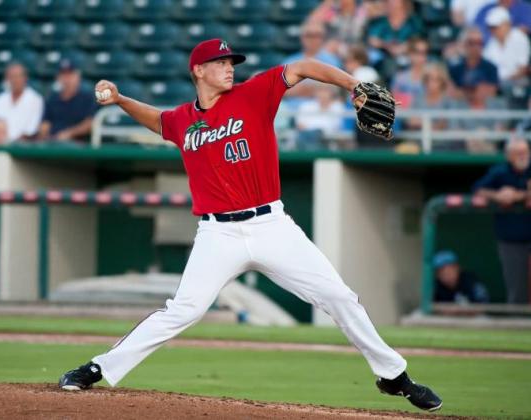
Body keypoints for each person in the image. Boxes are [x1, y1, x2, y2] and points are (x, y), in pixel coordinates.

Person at [58, 38, 442, 412]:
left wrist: (353, 84)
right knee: (184, 309)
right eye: (222, 63)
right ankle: (99, 367)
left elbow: (304, 67)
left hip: (271, 226)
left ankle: (393, 376)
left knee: (339, 297)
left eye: (231, 63)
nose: (230, 68)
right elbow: (158, 121)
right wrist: (122, 100)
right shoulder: (184, 120)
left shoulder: (254, 94)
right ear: (199, 70)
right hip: (217, 234)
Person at [473, 137, 531, 304]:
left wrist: (519, 195)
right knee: (516, 287)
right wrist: (497, 195)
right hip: (510, 238)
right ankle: (516, 324)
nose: (522, 156)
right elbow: (478, 190)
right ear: (509, 156)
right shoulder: (500, 172)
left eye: (525, 152)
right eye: (517, 153)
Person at [281, 22, 342, 111]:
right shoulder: (289, 62)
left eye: (317, 35)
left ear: (323, 38)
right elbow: (278, 90)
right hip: (292, 112)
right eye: (309, 35)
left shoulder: (332, 61)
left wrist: (310, 90)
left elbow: (338, 90)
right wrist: (304, 90)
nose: (312, 39)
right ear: (302, 38)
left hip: (322, 113)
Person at [38, 59, 97, 142]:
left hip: (78, 144)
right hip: (53, 143)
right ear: (58, 78)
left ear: (77, 76)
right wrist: (44, 132)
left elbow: (90, 123)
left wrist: (70, 133)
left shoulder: (86, 98)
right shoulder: (52, 99)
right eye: (63, 75)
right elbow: (45, 123)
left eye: (70, 74)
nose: (67, 79)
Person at [0, 63, 43, 142]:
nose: (14, 80)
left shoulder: (36, 100)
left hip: (23, 147)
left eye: (18, 76)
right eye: (11, 77)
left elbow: (31, 130)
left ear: (25, 78)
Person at [482, 7, 530, 87]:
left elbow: (522, 69)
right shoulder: (491, 43)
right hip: (495, 83)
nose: (493, 30)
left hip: (516, 83)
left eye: (496, 27)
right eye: (491, 27)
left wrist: (503, 81)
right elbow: (486, 67)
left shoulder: (520, 38)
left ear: (506, 24)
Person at [448, 27, 499, 99]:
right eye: (472, 43)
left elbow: (490, 93)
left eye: (479, 43)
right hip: (460, 108)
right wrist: (475, 92)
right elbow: (452, 93)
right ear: (464, 44)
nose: (476, 47)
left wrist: (464, 92)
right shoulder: (455, 68)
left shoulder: (491, 68)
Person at [295, 84, 346, 150]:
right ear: (316, 92)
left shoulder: (338, 106)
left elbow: (337, 126)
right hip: (308, 137)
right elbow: (300, 125)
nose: (323, 93)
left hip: (328, 140)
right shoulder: (306, 106)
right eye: (320, 90)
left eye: (326, 90)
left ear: (332, 92)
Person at [391, 38, 429, 108]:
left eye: (425, 52)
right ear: (410, 53)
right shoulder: (400, 77)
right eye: (417, 52)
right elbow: (395, 102)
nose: (421, 56)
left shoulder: (434, 76)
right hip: (405, 115)